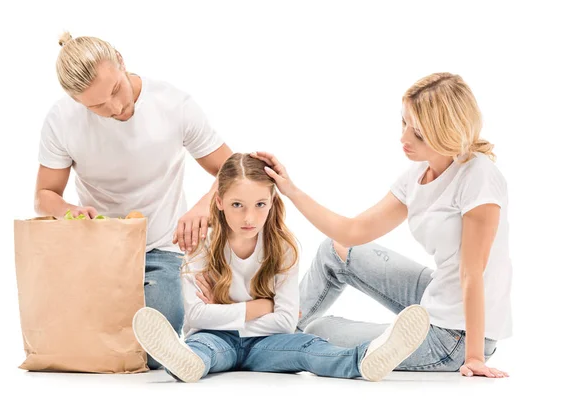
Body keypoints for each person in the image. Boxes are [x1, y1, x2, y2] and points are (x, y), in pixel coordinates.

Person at [252, 72, 511, 378]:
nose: (404, 139)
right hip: (438, 295)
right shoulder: (417, 175)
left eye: (418, 133)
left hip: (457, 336)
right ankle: (278, 328)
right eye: (404, 124)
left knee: (319, 329)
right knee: (336, 250)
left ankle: (271, 340)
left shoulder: (478, 177)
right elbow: (352, 231)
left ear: (446, 133)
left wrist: (475, 357)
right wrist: (291, 189)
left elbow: (472, 273)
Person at [131, 153, 431, 382]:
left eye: (260, 204)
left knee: (309, 346)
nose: (250, 217)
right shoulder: (203, 246)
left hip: (267, 343)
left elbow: (286, 323)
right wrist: (262, 306)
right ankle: (187, 363)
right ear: (219, 202)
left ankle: (364, 359)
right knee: (202, 349)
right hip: (214, 339)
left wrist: (224, 314)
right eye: (238, 205)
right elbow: (195, 316)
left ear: (272, 202)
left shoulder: (283, 248)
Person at [34, 32, 232, 369]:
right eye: (96, 106)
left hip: (160, 252)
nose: (115, 108)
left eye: (115, 90)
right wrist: (68, 211)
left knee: (154, 354)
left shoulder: (173, 104)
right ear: (76, 101)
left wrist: (203, 207)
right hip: (97, 251)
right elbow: (44, 196)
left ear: (121, 62)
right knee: (78, 343)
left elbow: (232, 169)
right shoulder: (61, 120)